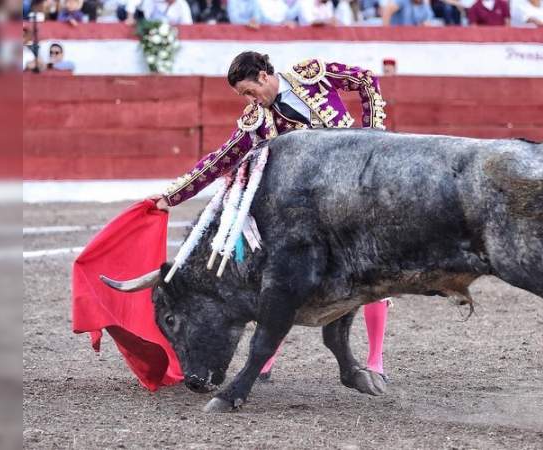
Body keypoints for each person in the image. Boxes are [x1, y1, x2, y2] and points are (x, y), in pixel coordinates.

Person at [152, 52, 390, 382]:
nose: (250, 101)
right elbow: (219, 160)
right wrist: (171, 196)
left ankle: (375, 359)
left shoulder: (313, 76)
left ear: (264, 76)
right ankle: (266, 361)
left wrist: (374, 138)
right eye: (244, 97)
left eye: (250, 92)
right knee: (284, 275)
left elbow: (365, 79)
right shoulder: (256, 120)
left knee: (373, 271)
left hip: (352, 192)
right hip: (310, 209)